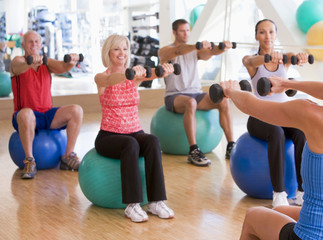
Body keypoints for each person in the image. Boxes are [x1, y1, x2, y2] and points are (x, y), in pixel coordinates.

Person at [221, 33, 323, 240]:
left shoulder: (315, 117)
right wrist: (288, 84)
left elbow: (251, 105)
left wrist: (231, 91)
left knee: (253, 215)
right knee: (279, 212)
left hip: (314, 236)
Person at [94, 34, 175, 223]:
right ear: (108, 52)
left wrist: (164, 69)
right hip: (109, 136)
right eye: (116, 49)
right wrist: (128, 73)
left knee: (152, 140)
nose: (122, 53)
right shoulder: (101, 78)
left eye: (125, 48)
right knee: (130, 144)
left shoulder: (133, 76)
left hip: (134, 131)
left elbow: (153, 73)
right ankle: (132, 205)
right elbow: (112, 80)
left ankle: (156, 201)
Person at [242, 19, 308, 207]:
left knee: (301, 132)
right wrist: (268, 57)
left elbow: (295, 56)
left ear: (276, 35)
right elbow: (252, 60)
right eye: (262, 32)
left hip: (281, 114)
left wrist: (300, 57)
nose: (267, 36)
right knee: (277, 133)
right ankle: (279, 193)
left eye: (271, 32)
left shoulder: (284, 58)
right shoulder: (251, 61)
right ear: (256, 36)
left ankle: (302, 191)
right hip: (259, 116)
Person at [158, 19, 235, 167]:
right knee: (190, 102)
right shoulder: (165, 51)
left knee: (223, 100)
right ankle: (193, 150)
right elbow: (178, 51)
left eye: (188, 30)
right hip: (174, 96)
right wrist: (195, 46)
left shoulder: (194, 51)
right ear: (174, 32)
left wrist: (222, 47)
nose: (186, 33)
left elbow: (210, 53)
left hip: (195, 93)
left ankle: (231, 146)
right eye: (182, 31)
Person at [10, 30, 83, 179]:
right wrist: (30, 62)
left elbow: (63, 67)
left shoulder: (46, 62)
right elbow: (18, 67)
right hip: (24, 116)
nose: (34, 44)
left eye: (37, 41)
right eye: (30, 41)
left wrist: (72, 61)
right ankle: (30, 160)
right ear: (23, 45)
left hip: (46, 115)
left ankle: (67, 156)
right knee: (26, 113)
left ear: (41, 44)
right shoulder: (18, 61)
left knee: (76, 110)